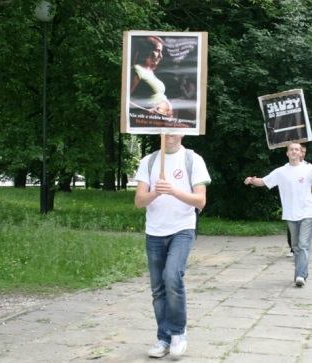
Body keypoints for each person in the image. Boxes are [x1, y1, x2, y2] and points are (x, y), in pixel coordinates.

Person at [134, 134, 211, 359]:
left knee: (172, 277)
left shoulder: (192, 159)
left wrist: (172, 190)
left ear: (183, 132)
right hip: (154, 232)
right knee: (158, 288)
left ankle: (178, 333)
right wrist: (156, 192)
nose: (170, 134)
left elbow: (201, 201)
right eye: (164, 130)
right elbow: (139, 201)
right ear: (160, 133)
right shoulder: (148, 161)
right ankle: (163, 337)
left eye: (174, 129)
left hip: (182, 229)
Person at [244, 143, 312, 287]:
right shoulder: (281, 172)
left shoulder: (308, 169)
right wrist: (252, 180)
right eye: (291, 149)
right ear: (287, 153)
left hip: (307, 212)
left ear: (301, 153)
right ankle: (302, 272)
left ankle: (300, 275)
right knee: (296, 246)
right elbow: (264, 181)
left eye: (297, 149)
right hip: (290, 214)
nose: (294, 151)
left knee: (303, 244)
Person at [130, 36, 173, 118]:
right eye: (157, 51)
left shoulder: (150, 72)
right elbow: (125, 99)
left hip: (160, 121)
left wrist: (169, 105)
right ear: (147, 51)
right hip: (144, 120)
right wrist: (146, 111)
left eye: (161, 52)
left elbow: (160, 95)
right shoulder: (137, 70)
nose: (161, 56)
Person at [285, 144, 309, 257]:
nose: (302, 153)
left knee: (303, 232)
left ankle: (302, 249)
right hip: (291, 204)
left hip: (304, 205)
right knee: (292, 230)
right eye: (301, 150)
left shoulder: (308, 167)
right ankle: (293, 249)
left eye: (303, 151)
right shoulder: (286, 167)